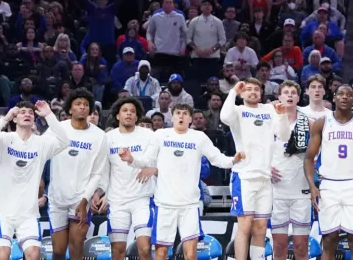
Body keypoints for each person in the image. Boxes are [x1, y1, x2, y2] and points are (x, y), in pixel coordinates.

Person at [119, 103, 243, 260]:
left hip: (189, 205)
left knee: (190, 254)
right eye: (178, 113)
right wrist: (131, 159)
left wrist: (234, 160)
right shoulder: (161, 135)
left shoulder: (199, 137)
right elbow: (147, 160)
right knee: (161, 252)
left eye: (185, 113)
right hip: (164, 204)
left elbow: (218, 159)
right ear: (172, 117)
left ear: (190, 119)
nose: (181, 116)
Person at [0, 100, 69, 260]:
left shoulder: (41, 143)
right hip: (3, 212)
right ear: (15, 118)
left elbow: (64, 141)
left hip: (28, 213)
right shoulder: (4, 139)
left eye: (30, 112)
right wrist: (4, 119)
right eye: (22, 112)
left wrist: (49, 115)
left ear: (34, 119)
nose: (27, 114)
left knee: (33, 254)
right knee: (2, 255)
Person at [305, 85, 353, 260]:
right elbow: (308, 158)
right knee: (329, 240)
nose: (345, 97)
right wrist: (312, 186)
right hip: (328, 185)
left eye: (349, 95)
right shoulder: (322, 123)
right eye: (341, 94)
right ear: (334, 98)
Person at [221, 79, 289, 260]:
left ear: (261, 93)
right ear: (243, 94)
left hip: (265, 177)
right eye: (248, 89)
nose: (252, 92)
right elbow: (224, 117)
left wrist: (282, 116)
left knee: (260, 228)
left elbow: (284, 135)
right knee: (244, 227)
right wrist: (233, 92)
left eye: (256, 89)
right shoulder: (237, 111)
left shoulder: (269, 110)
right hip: (244, 176)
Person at [49, 89, 108, 260]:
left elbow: (97, 173)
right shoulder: (58, 129)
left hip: (81, 198)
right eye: (78, 104)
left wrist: (84, 201)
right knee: (58, 251)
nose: (82, 107)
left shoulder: (99, 136)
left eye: (86, 105)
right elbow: (40, 150)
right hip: (57, 198)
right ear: (69, 109)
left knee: (76, 248)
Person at [100, 97, 155, 260]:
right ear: (117, 116)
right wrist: (103, 193)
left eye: (132, 111)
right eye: (125, 111)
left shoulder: (148, 136)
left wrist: (133, 160)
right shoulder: (108, 138)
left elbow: (150, 162)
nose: (129, 114)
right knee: (118, 250)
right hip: (117, 201)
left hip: (142, 199)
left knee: (144, 248)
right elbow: (104, 170)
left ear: (137, 116)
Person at [271, 81, 310, 260]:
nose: (289, 95)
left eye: (293, 92)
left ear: (298, 97)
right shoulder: (269, 120)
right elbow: (256, 149)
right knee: (279, 245)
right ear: (279, 97)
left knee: (301, 245)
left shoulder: (308, 121)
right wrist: (265, 168)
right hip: (276, 189)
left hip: (301, 188)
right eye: (285, 92)